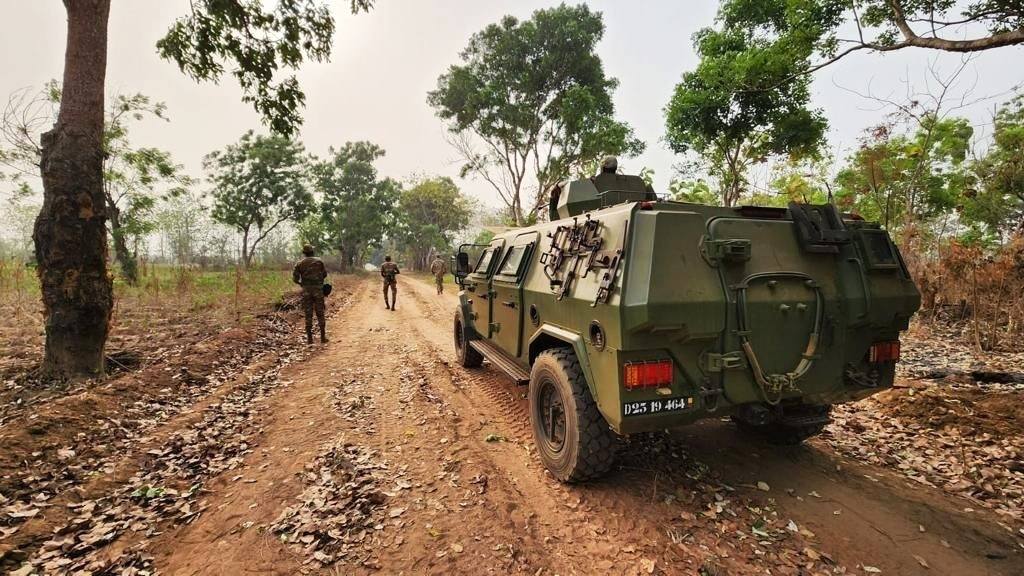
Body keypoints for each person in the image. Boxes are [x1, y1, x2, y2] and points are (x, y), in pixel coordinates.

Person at [292, 244, 328, 344]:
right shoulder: (319, 261)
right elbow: (324, 274)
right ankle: (323, 337)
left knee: (308, 314)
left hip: (306, 291)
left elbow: (295, 279)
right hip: (318, 290)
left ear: (304, 253)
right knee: (320, 312)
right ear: (312, 252)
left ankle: (309, 339)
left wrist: (302, 284)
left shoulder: (299, 263)